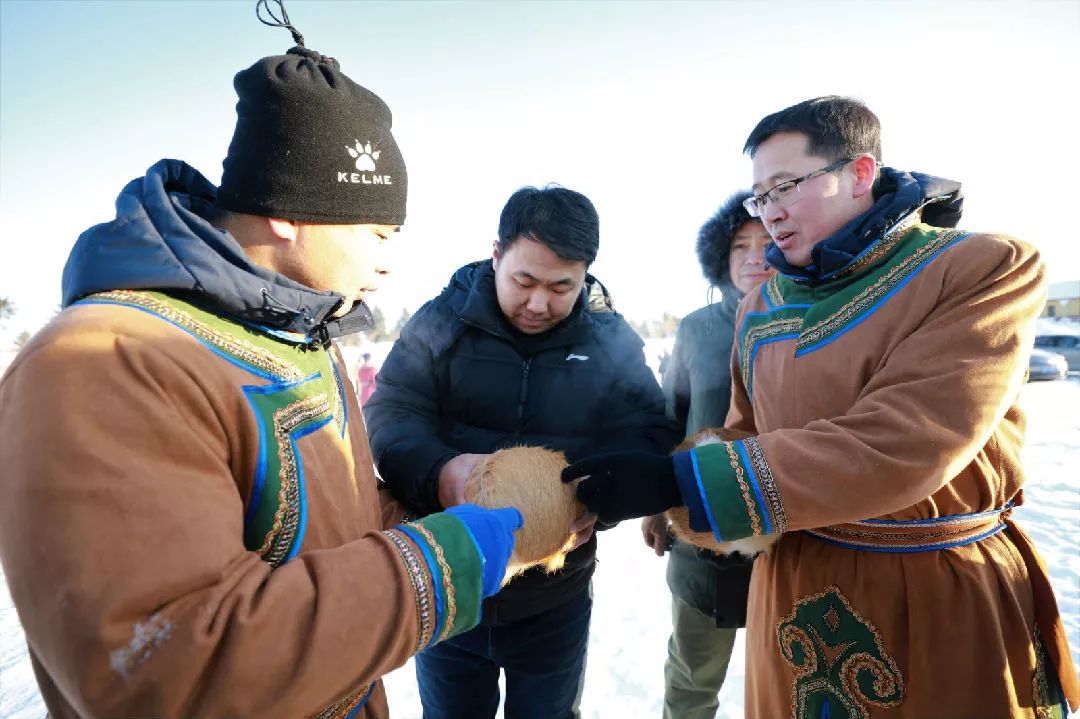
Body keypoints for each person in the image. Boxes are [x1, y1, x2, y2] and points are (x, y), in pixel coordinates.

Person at [0, 14, 525, 719]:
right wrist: (442, 560)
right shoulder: (100, 361)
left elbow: (333, 527)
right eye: (376, 231)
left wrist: (445, 504)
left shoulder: (305, 340)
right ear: (290, 211)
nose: (388, 259)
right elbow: (173, 670)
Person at [565, 96, 1078, 717]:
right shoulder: (761, 308)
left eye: (786, 186)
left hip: (928, 583)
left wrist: (685, 480)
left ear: (860, 173)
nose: (769, 213)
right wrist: (664, 474)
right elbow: (742, 433)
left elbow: (907, 441)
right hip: (793, 591)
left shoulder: (978, 268)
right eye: (760, 195)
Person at [364, 185, 676, 719]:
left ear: (585, 274)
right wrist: (440, 475)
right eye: (523, 281)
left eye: (561, 287)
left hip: (556, 594)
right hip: (449, 581)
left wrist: (599, 499)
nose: (538, 303)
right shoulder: (441, 323)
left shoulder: (607, 337)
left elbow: (647, 431)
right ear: (496, 255)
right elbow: (391, 414)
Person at [640, 190, 775, 719]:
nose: (754, 256)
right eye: (740, 245)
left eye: (766, 241)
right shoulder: (697, 330)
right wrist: (657, 502)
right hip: (705, 532)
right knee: (695, 674)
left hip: (795, 535)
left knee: (792, 673)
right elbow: (671, 418)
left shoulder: (820, 320)